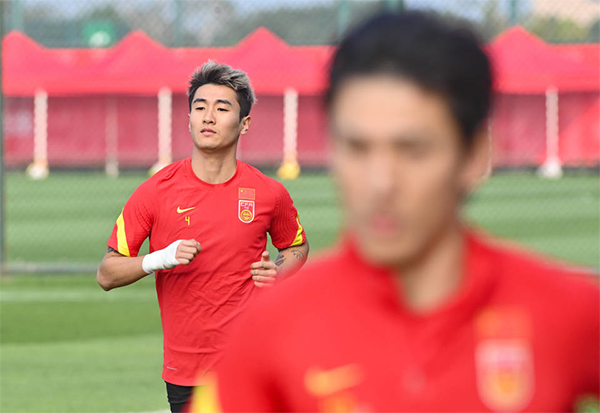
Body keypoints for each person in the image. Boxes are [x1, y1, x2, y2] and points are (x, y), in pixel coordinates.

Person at [190, 11, 599, 412]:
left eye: (412, 150)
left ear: (475, 154)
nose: (380, 183)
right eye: (357, 148)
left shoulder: (566, 313)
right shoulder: (268, 330)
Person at [96, 61, 309, 413]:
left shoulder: (269, 193)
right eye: (200, 108)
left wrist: (278, 273)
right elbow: (107, 274)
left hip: (253, 362)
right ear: (189, 118)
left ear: (244, 124)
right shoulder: (154, 192)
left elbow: (296, 245)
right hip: (187, 372)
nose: (208, 117)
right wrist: (160, 258)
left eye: (222, 109)